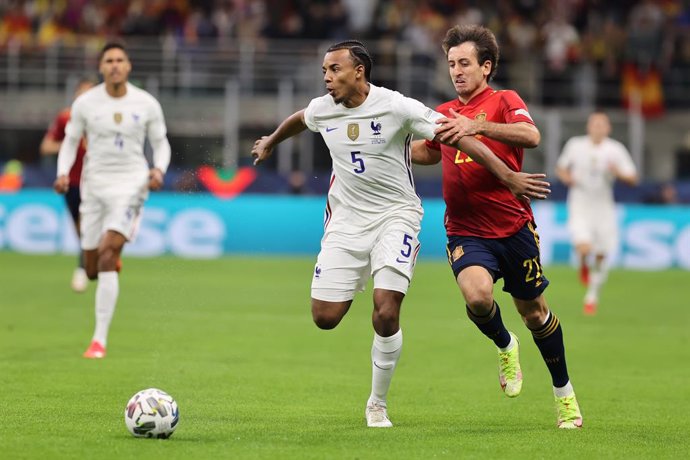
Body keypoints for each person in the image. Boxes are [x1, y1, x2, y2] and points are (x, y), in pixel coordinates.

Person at [251, 40, 550, 428]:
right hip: (345, 222)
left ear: (358, 71)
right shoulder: (324, 109)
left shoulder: (396, 105)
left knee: (386, 307)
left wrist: (507, 176)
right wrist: (271, 141)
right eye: (324, 71)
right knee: (324, 318)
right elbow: (299, 118)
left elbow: (459, 138)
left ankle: (377, 403)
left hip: (397, 216)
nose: (327, 78)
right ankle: (500, 341)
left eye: (334, 70)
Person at [411, 24, 583, 429]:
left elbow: (531, 135)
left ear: (485, 67)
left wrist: (479, 126)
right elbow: (429, 152)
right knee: (477, 297)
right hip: (465, 229)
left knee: (536, 314)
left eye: (465, 63)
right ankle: (505, 344)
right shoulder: (443, 111)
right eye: (452, 63)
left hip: (513, 226)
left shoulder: (505, 100)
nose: (456, 70)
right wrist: (391, 146)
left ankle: (565, 395)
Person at [54, 42, 171, 359]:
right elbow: (70, 142)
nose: (115, 65)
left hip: (132, 184)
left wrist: (158, 169)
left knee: (106, 253)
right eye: (109, 60)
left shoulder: (146, 103)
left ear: (129, 65)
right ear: (101, 67)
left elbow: (161, 144)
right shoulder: (85, 103)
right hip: (93, 187)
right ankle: (109, 257)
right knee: (92, 268)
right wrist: (63, 173)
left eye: (120, 59)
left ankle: (98, 340)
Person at [556, 111, 638, 315]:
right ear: (589, 127)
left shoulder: (615, 150)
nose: (598, 128)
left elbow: (632, 178)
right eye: (595, 124)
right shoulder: (575, 145)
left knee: (602, 254)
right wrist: (567, 178)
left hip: (603, 207)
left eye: (602, 124)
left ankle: (592, 296)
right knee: (584, 248)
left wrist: (617, 172)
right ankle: (583, 263)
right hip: (580, 203)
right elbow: (561, 168)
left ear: (608, 128)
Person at [41, 78, 96, 293]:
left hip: (96, 181)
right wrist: (70, 143)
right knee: (81, 231)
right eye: (82, 94)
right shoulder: (66, 118)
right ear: (75, 96)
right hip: (71, 183)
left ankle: (82, 269)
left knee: (90, 226)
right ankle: (88, 263)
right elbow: (46, 146)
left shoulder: (104, 118)